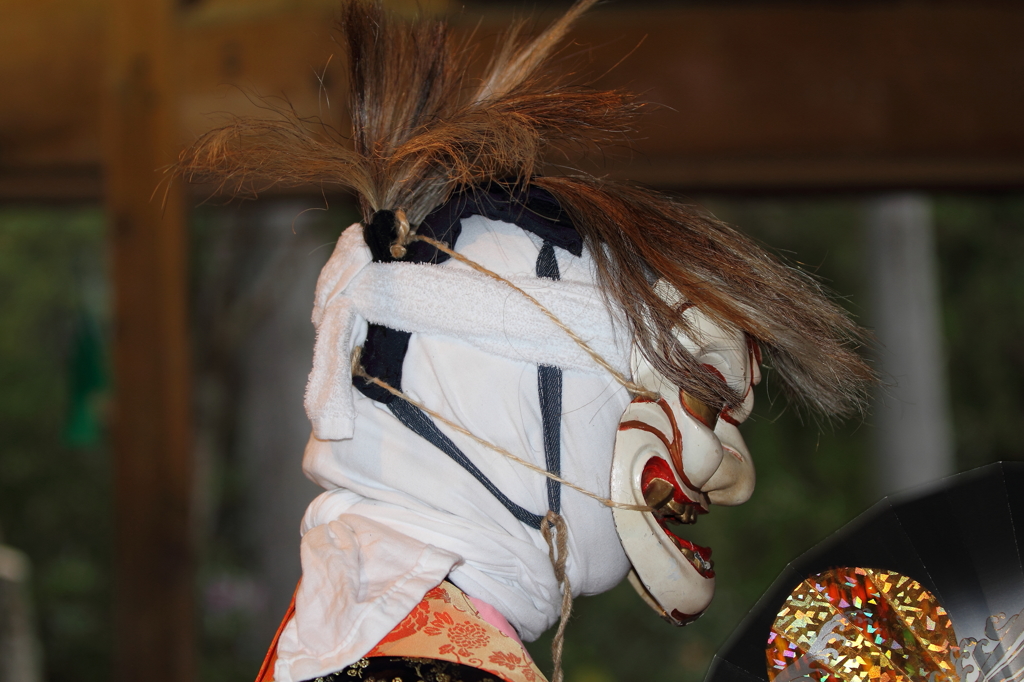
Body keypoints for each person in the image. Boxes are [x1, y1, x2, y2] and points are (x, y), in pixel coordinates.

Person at [177, 2, 875, 681]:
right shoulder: (419, 666)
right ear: (512, 389)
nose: (731, 474)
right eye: (692, 393)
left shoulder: (359, 647)